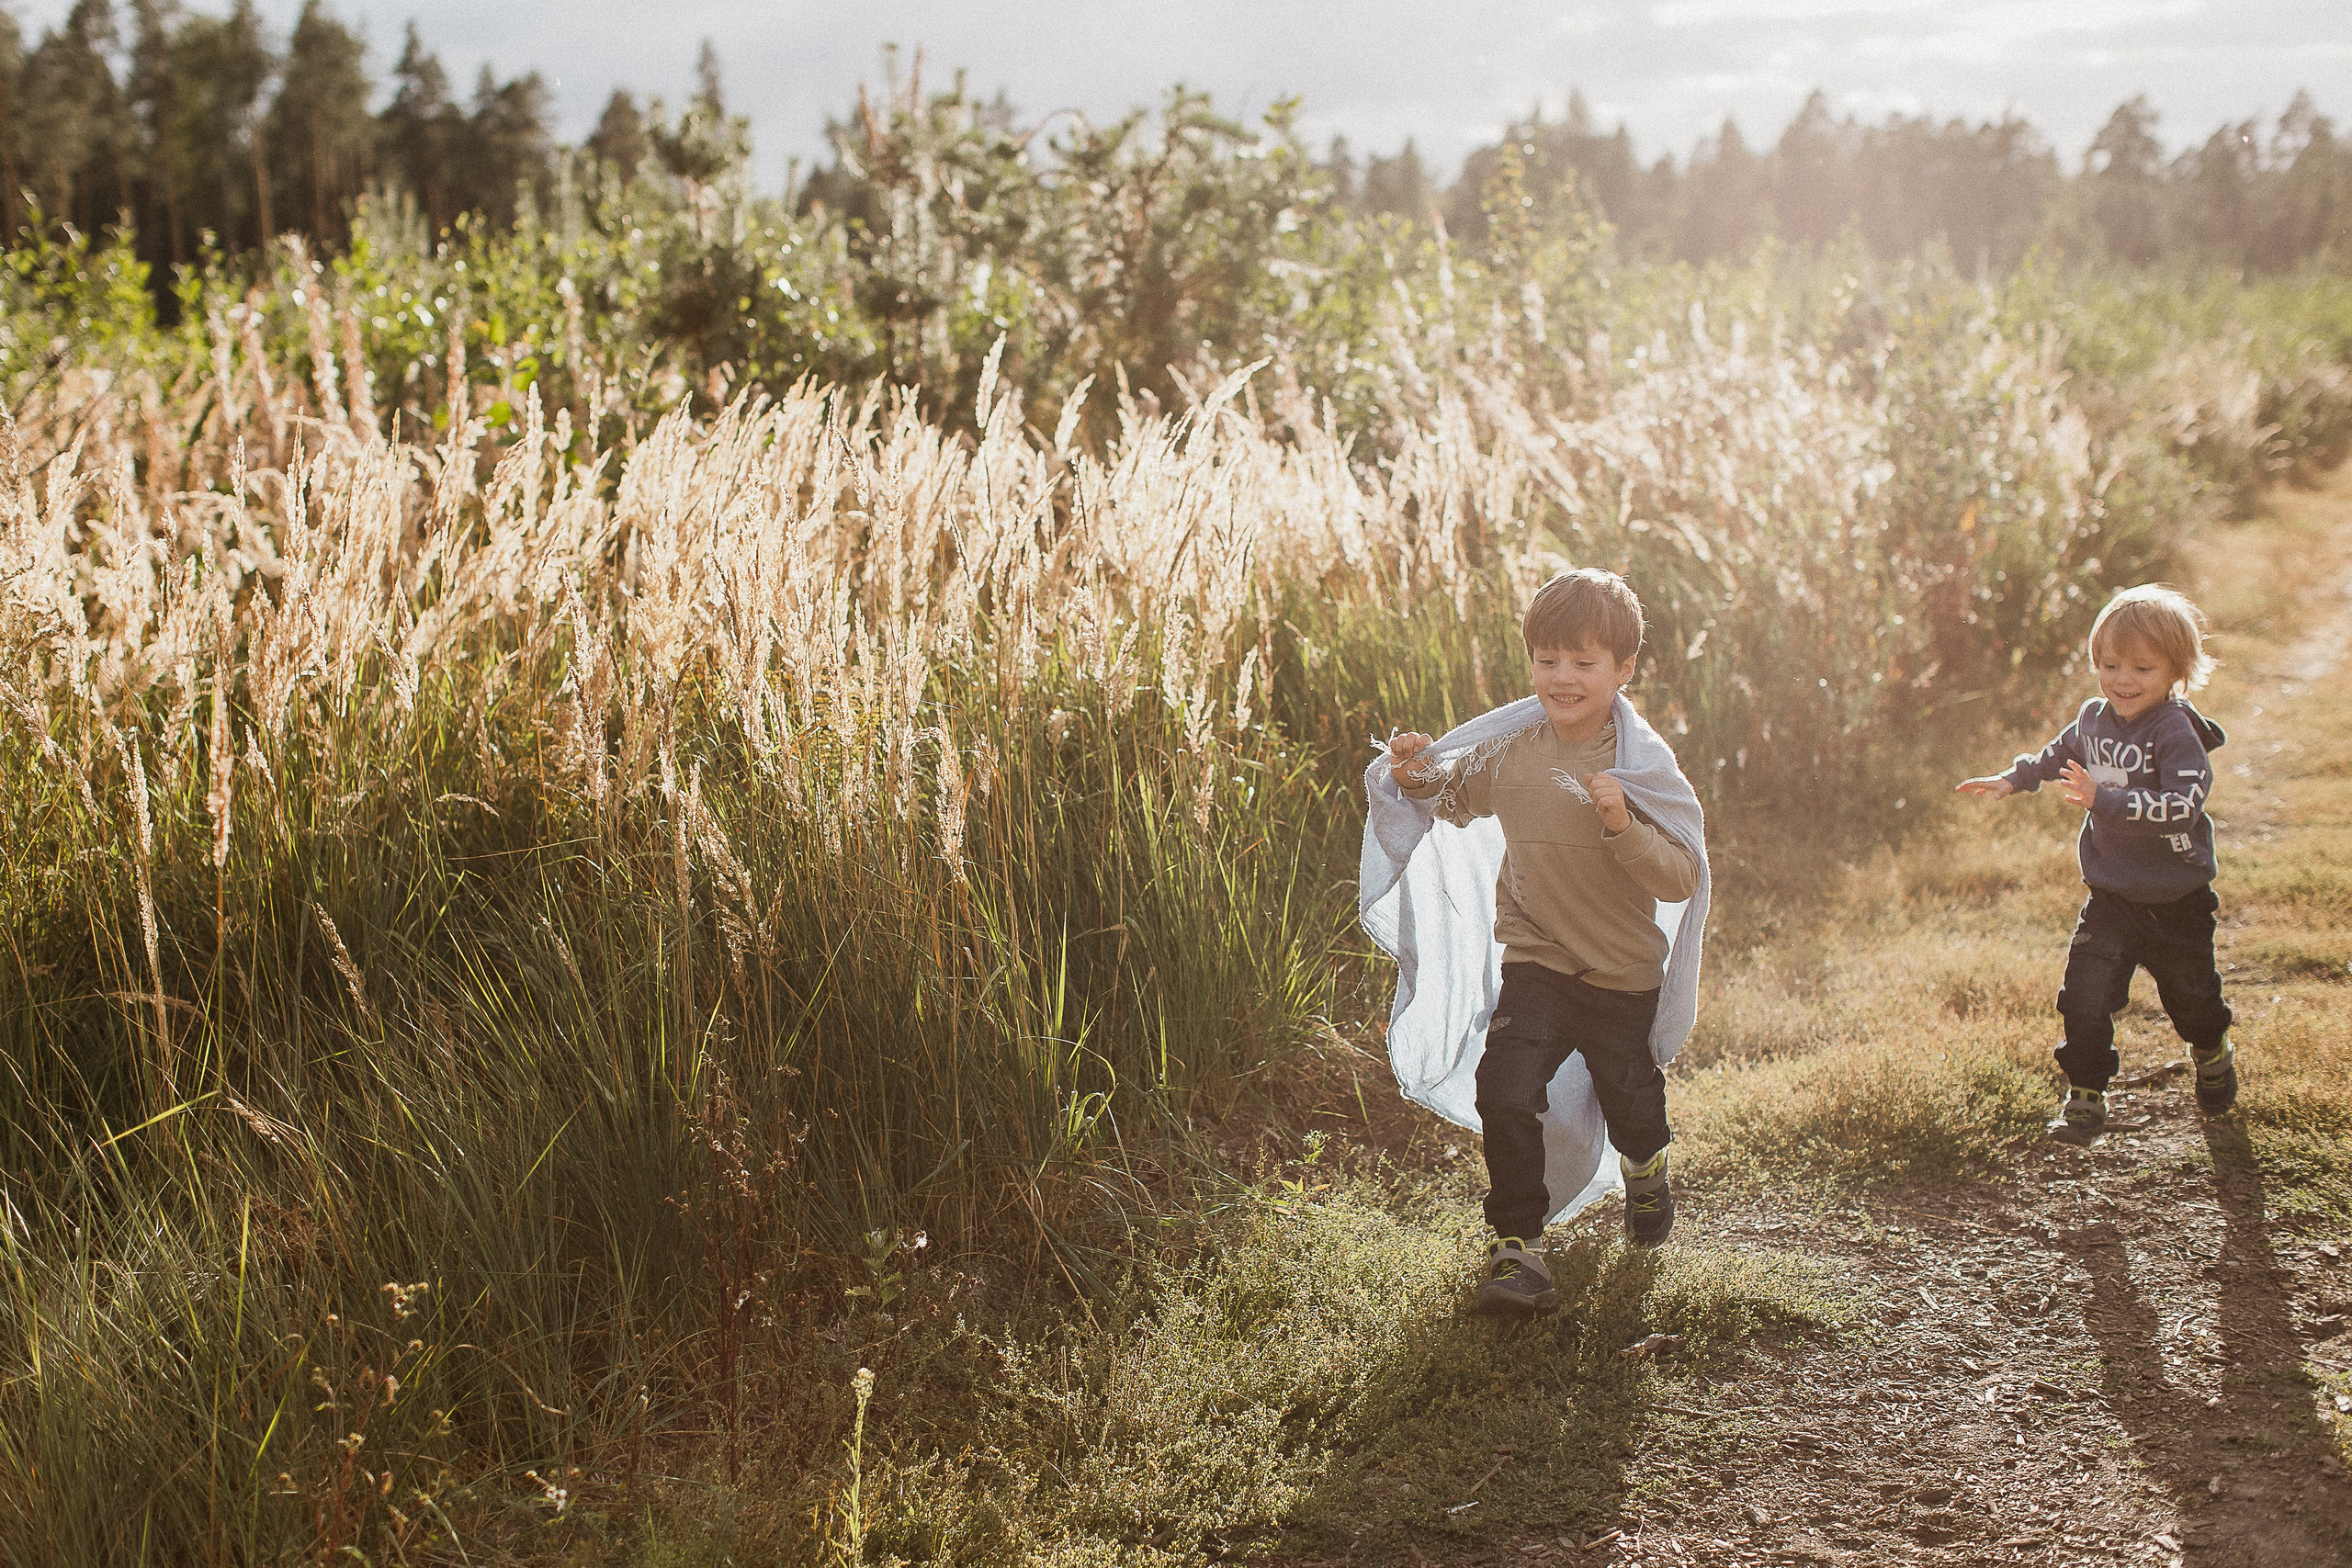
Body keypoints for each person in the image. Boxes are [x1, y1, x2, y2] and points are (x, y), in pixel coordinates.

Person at [1378, 569, 1703, 1314]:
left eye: (1583, 663)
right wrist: (1419, 775)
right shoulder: (1517, 747)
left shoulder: (1638, 765)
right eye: (1547, 659)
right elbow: (1457, 799)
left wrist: (1623, 825)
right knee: (1505, 1087)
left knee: (1631, 1102)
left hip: (1621, 972)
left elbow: (1682, 875)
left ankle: (1646, 1162)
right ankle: (1517, 1246)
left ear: (1623, 671)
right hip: (1537, 960)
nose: (1561, 678)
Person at [1956, 583, 2237, 1145]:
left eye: (2141, 667)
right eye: (2110, 665)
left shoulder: (2175, 733)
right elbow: (2055, 756)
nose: (2123, 680)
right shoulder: (2093, 719)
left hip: (2176, 903)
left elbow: (2183, 807)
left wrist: (2104, 800)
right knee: (2083, 995)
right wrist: (2012, 780)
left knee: (2192, 1000)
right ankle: (2085, 1095)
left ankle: (2211, 1048)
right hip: (2110, 897)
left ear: (2175, 672)